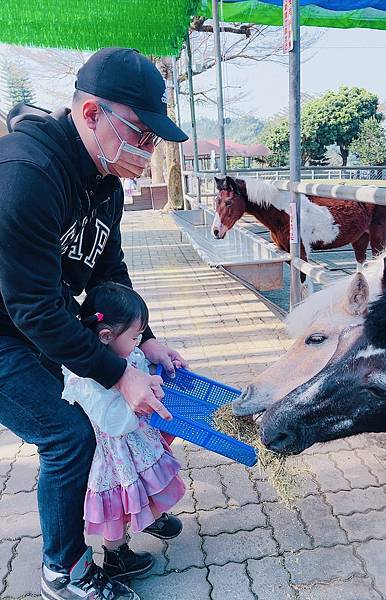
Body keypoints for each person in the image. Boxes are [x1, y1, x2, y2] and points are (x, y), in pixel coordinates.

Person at [0, 47, 188, 600]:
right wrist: (115, 373)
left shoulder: (104, 182)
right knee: (67, 435)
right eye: (139, 133)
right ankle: (63, 570)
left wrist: (145, 341)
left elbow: (110, 269)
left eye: (154, 139)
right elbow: (33, 307)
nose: (146, 151)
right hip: (9, 325)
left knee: (93, 427)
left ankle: (115, 529)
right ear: (90, 115)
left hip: (36, 317)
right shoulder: (25, 176)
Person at [62, 283, 185, 579]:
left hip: (137, 445)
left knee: (148, 485)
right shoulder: (85, 378)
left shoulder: (120, 350)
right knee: (118, 505)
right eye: (135, 336)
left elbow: (139, 364)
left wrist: (158, 367)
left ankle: (149, 516)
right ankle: (117, 557)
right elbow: (113, 422)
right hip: (116, 454)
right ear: (105, 336)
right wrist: (140, 404)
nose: (139, 340)